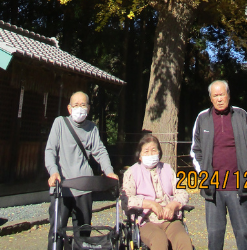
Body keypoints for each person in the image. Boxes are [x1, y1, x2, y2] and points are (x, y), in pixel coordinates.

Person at [189, 80, 247, 250]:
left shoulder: (241, 115)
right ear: (210, 98)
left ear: (228, 95)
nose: (219, 99)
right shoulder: (202, 118)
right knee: (214, 236)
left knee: (243, 233)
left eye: (222, 95)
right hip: (213, 189)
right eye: (215, 95)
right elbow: (195, 150)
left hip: (238, 186)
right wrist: (203, 174)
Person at [45, 91, 118, 250]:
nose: (79, 108)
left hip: (84, 187)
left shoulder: (92, 128)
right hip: (62, 187)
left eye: (83, 105)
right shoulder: (60, 123)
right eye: (76, 105)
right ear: (69, 108)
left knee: (83, 233)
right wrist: (53, 171)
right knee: (57, 231)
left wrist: (109, 172)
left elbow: (100, 151)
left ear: (89, 108)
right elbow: (50, 150)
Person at [122, 134, 193, 250]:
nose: (150, 154)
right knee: (159, 239)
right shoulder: (132, 173)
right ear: (139, 156)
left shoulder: (168, 169)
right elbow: (126, 200)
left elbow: (183, 193)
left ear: (159, 153)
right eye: (146, 151)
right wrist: (151, 204)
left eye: (153, 150)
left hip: (170, 219)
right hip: (146, 220)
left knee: (182, 239)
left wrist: (172, 205)